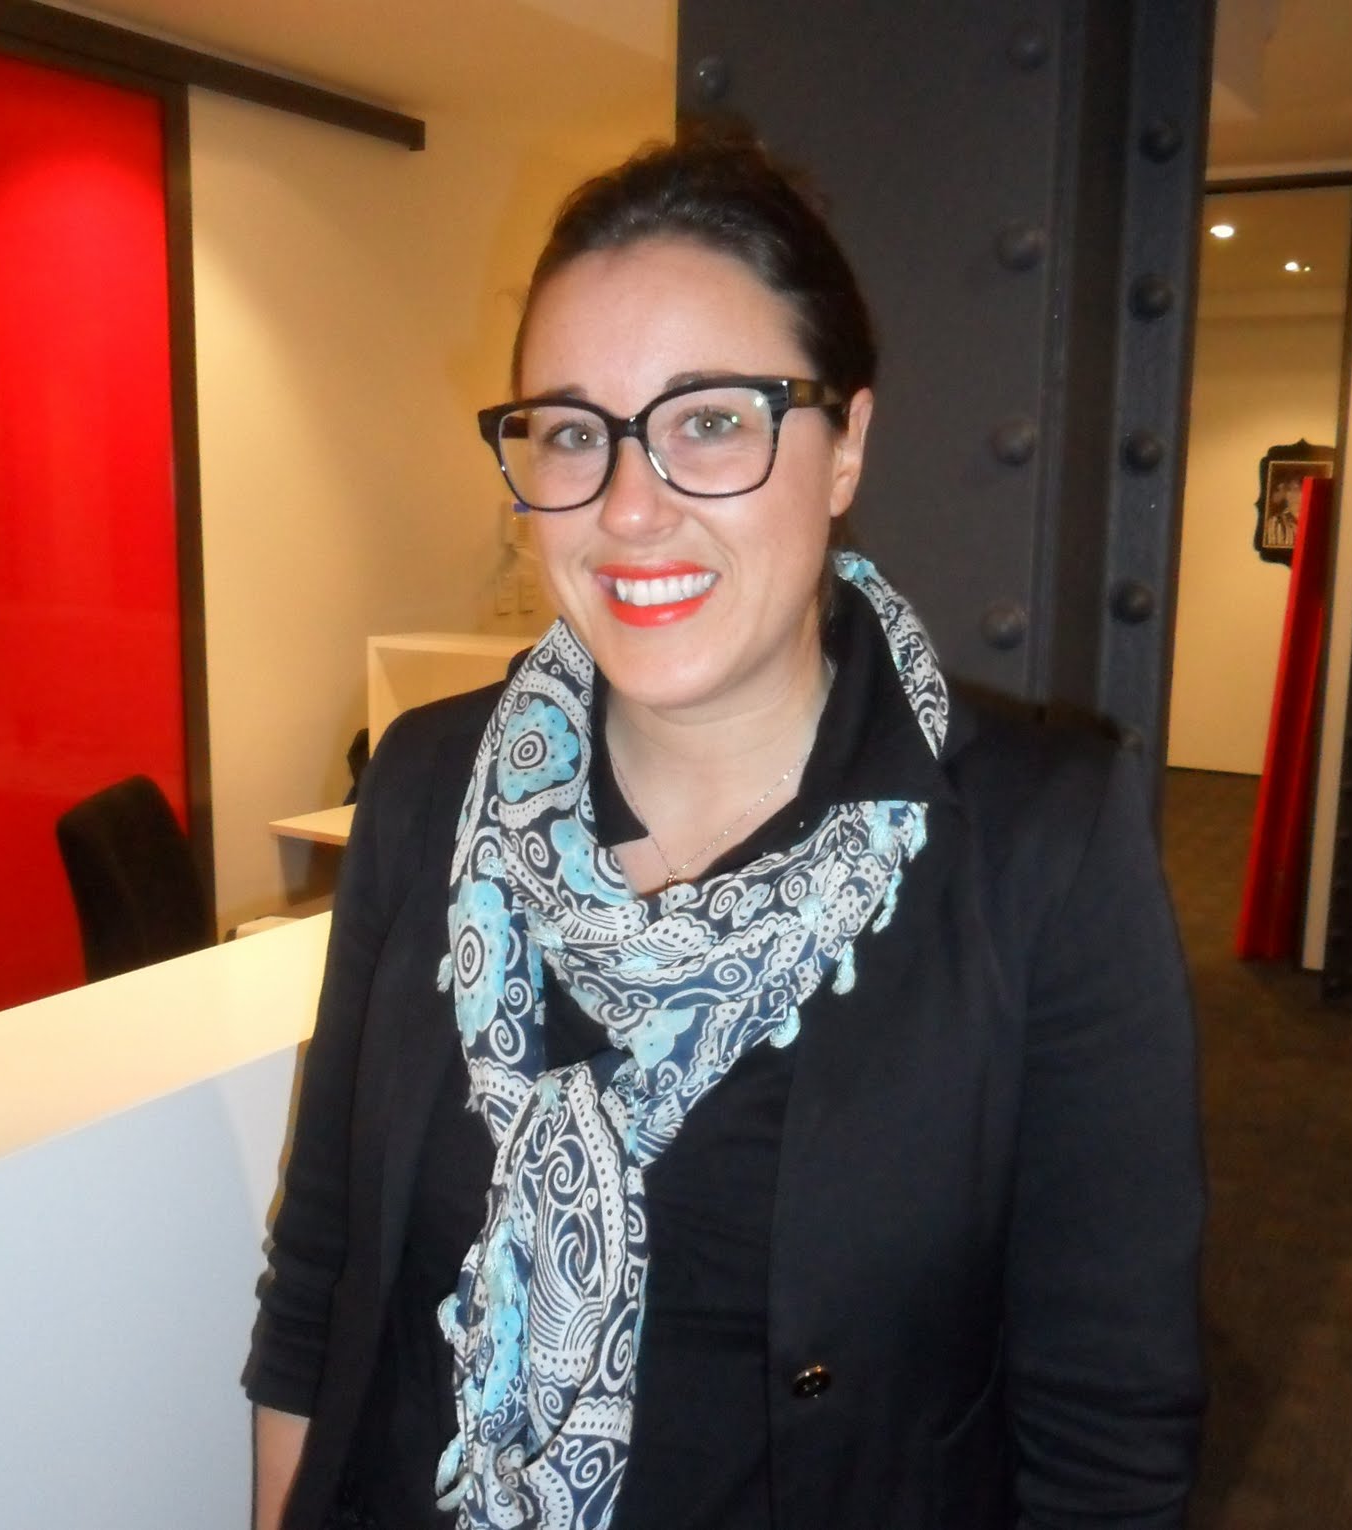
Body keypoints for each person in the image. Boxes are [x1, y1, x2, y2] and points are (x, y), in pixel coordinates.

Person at [246, 126, 1205, 1530]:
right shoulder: (426, 785)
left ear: (846, 445)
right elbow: (323, 1276)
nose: (629, 506)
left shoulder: (1038, 845)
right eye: (573, 432)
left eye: (709, 420)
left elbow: (1107, 1434)